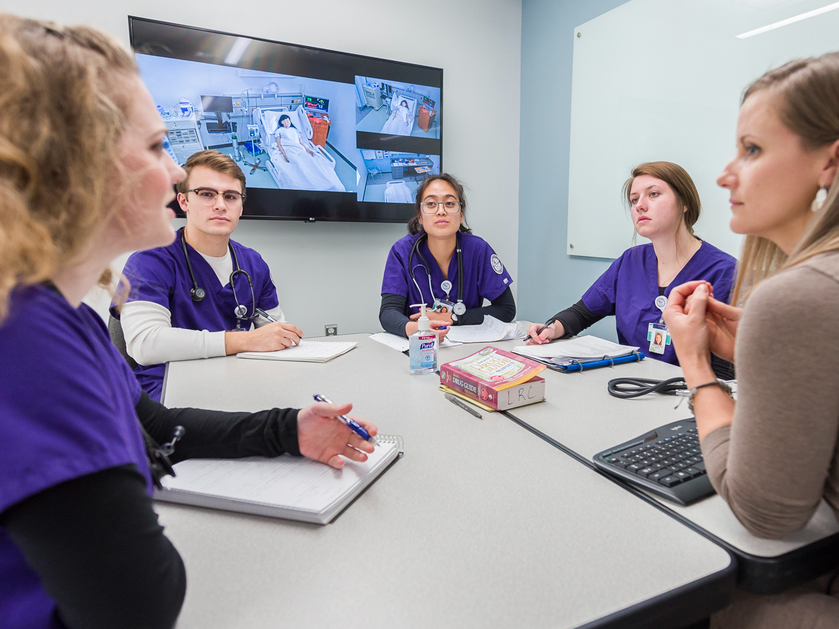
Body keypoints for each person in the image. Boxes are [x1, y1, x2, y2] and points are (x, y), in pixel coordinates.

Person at [0, 16, 377, 629]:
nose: (176, 176)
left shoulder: (70, 317)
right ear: (75, 162)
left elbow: (159, 424)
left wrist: (290, 429)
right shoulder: (26, 339)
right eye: (155, 148)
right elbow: (139, 601)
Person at [663, 53, 839, 628]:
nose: (725, 174)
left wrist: (696, 364)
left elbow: (764, 513)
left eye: (753, 149)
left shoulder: (796, 296)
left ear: (828, 165)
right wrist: (755, 354)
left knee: (685, 590)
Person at [113, 149, 302, 401]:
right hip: (169, 389)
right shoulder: (150, 261)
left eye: (231, 196)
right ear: (183, 202)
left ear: (241, 206)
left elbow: (271, 333)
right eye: (206, 194)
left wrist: (282, 338)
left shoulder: (253, 264)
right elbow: (145, 344)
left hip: (241, 380)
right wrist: (242, 341)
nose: (221, 205)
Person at [526, 161, 737, 375]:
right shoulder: (631, 261)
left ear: (685, 202)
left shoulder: (723, 271)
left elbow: (725, 370)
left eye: (653, 194)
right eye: (634, 199)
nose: (639, 206)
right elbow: (582, 313)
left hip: (688, 396)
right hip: (632, 389)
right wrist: (552, 328)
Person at [379, 173, 516, 338]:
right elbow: (388, 312)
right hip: (417, 347)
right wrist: (416, 329)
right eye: (431, 204)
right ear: (420, 216)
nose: (441, 211)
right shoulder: (402, 251)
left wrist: (452, 317)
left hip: (467, 347)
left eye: (450, 203)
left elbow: (506, 309)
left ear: (461, 214)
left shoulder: (478, 249)